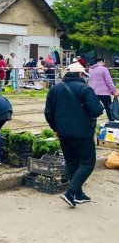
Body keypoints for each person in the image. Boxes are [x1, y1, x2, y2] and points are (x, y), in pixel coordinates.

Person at [44, 61, 103, 208]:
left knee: (72, 162)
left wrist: (55, 128)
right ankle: (70, 193)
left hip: (63, 133)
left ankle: (78, 194)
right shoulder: (85, 89)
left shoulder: (54, 89)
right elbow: (96, 110)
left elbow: (48, 113)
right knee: (88, 163)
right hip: (82, 132)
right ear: (81, 74)